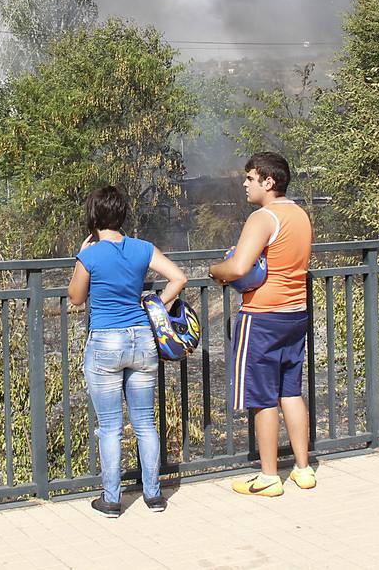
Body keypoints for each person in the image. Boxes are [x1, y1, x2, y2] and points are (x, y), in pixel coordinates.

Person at [68, 185, 188, 517]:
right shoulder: (142, 248)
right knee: (145, 423)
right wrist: (156, 305)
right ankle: (154, 496)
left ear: (93, 216)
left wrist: (80, 256)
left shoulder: (90, 254)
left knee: (110, 426)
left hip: (106, 341)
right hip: (141, 339)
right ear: (122, 215)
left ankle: (111, 500)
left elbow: (76, 298)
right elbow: (179, 278)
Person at [209, 152, 315, 495]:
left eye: (250, 178)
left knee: (262, 396)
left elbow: (239, 268)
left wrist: (215, 271)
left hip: (262, 317)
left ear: (268, 182)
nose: (244, 183)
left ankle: (269, 477)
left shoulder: (262, 218)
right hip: (295, 313)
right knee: (291, 392)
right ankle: (303, 468)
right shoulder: (299, 215)